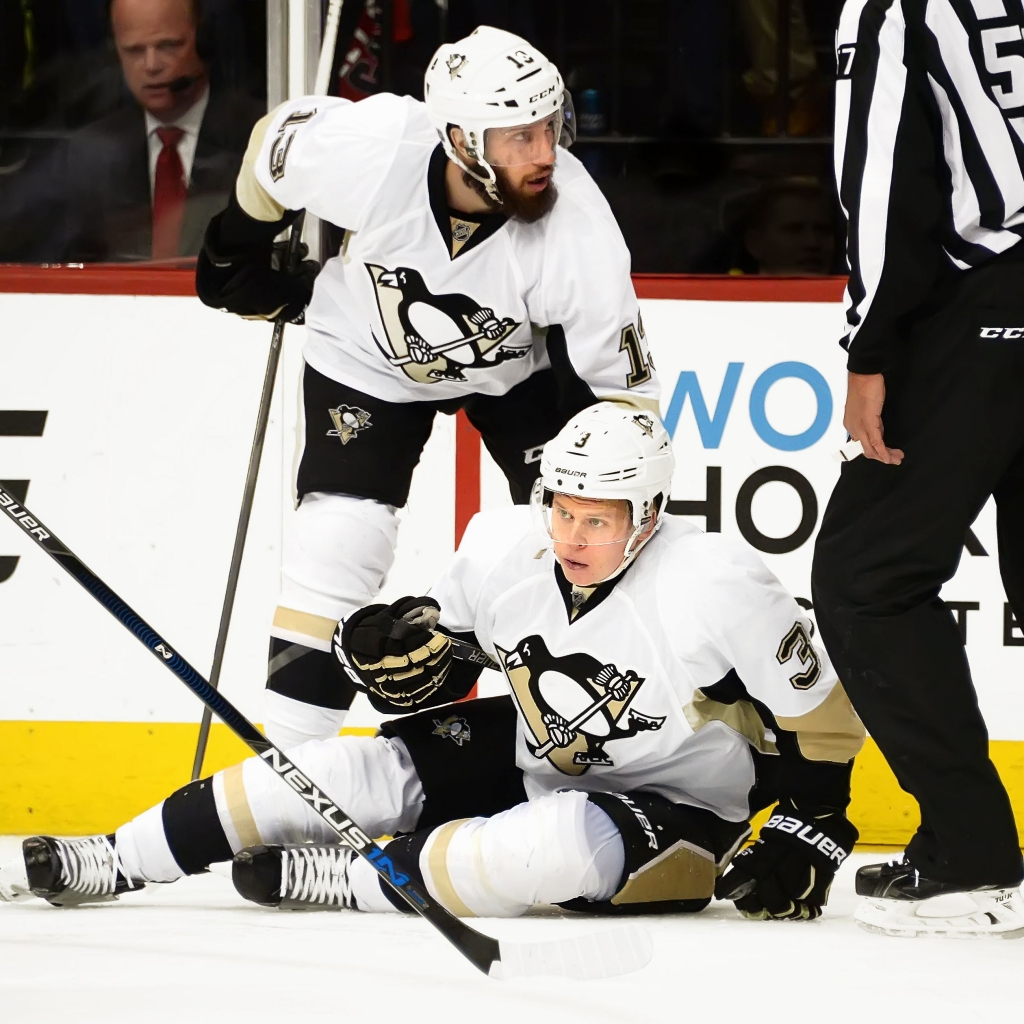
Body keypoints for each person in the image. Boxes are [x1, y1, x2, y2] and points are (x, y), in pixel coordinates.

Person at [2, 404, 869, 926]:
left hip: (677, 803)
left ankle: (348, 877)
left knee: (553, 848)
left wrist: (816, 827)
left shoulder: (717, 581)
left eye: (598, 521)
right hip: (536, 750)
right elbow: (443, 659)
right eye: (561, 509)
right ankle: (113, 858)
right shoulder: (501, 547)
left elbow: (824, 715)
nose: (571, 536)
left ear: (648, 514)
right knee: (331, 767)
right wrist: (399, 646)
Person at [194, 27, 661, 755]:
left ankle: (546, 746)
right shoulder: (377, 146)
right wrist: (241, 241)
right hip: (364, 355)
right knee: (335, 539)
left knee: (565, 538)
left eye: (549, 126)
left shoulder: (581, 235)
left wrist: (588, 493)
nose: (545, 154)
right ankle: (287, 776)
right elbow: (275, 144)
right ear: (459, 138)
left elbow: (629, 407)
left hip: (518, 375)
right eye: (518, 137)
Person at [811, 0, 1024, 937]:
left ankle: (972, 860)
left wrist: (872, 346)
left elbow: (886, 172)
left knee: (867, 578)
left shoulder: (900, 2)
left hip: (985, 299)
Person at [55, 0, 262, 261]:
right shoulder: (91, 152)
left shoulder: (257, 136)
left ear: (205, 42)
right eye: (134, 51)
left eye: (168, 46)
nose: (151, 65)